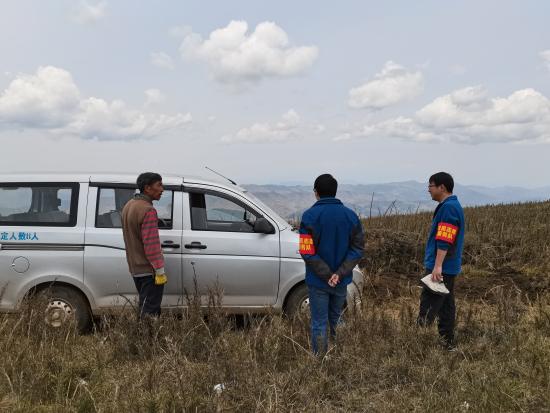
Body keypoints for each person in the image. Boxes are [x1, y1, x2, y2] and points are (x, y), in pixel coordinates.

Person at [299, 174, 365, 354]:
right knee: (337, 317)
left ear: (316, 192)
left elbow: (306, 250)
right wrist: (339, 273)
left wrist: (327, 274)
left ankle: (320, 361)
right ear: (335, 192)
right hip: (341, 281)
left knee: (319, 322)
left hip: (318, 281)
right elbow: (358, 248)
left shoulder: (309, 216)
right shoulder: (351, 216)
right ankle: (341, 356)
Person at [417, 172, 465, 350]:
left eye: (430, 186)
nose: (428, 190)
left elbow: (444, 239)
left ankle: (417, 343)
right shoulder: (451, 206)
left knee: (428, 304)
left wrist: (437, 266)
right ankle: (447, 343)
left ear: (441, 187)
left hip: (441, 268)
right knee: (446, 305)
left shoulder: (448, 208)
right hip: (448, 267)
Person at [122, 172, 167, 318]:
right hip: (148, 269)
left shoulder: (129, 205)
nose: (162, 189)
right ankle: (147, 340)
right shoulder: (148, 210)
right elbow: (151, 245)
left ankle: (143, 338)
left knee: (145, 306)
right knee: (150, 311)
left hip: (135, 268)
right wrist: (159, 270)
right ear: (147, 188)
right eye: (159, 185)